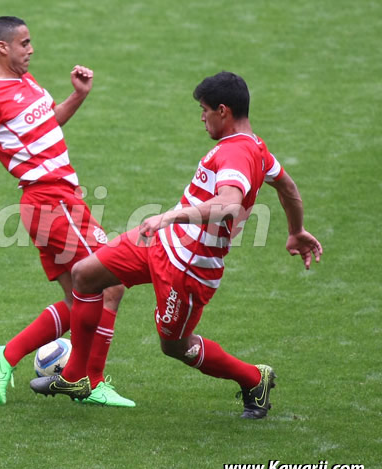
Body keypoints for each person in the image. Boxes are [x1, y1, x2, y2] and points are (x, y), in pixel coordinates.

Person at [31, 71, 322, 419]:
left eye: (205, 110)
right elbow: (287, 187)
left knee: (176, 346)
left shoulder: (237, 153)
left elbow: (228, 203)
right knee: (85, 274)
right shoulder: (256, 148)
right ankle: (76, 377)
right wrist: (296, 230)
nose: (202, 117)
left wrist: (170, 216)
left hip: (189, 268)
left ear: (223, 111)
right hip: (159, 245)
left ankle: (253, 379)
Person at [0, 16, 134, 407]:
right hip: (50, 201)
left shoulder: (27, 81)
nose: (31, 49)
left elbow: (49, 124)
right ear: (2, 47)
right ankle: (90, 382)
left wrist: (78, 96)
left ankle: (5, 355)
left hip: (58, 201)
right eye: (24, 43)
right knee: (110, 285)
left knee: (78, 302)